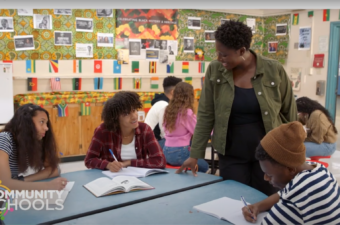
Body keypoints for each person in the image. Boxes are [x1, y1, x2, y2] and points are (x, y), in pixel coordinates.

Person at [176, 20, 297, 196]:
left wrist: (292, 154)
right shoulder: (215, 70)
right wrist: (195, 154)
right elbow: (206, 114)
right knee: (234, 200)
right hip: (231, 153)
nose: (219, 58)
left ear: (242, 51)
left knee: (265, 199)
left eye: (224, 54)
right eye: (218, 53)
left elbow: (289, 115)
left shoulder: (274, 70)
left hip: (269, 154)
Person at [242, 121, 340, 224]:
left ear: (290, 169)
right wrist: (257, 206)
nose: (265, 178)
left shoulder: (293, 202)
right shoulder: (319, 171)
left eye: (270, 175)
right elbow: (284, 193)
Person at [84, 91, 166, 171]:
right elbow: (89, 160)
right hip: (112, 180)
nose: (134, 116)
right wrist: (108, 165)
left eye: (134, 110)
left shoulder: (145, 130)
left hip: (139, 179)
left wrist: (129, 163)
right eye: (126, 114)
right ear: (115, 117)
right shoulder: (103, 131)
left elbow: (160, 161)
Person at [0, 104, 67, 191]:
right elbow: (4, 184)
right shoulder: (4, 139)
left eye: (46, 123)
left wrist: (22, 180)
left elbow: (54, 170)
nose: (46, 128)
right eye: (42, 122)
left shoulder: (34, 140)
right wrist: (48, 186)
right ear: (26, 123)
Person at [163, 82, 209, 173]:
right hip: (180, 152)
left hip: (166, 151)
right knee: (205, 166)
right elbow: (198, 130)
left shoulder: (168, 109)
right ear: (189, 96)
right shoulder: (186, 112)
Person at [145, 76, 182, 150]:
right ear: (173, 92)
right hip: (154, 142)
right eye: (181, 91)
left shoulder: (164, 102)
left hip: (157, 140)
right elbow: (165, 134)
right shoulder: (164, 105)